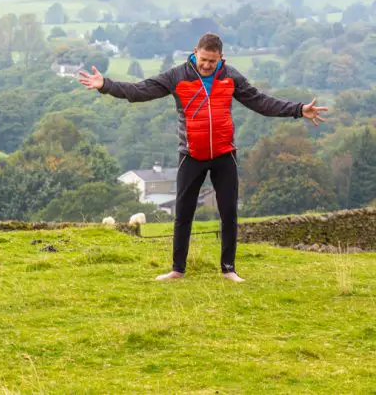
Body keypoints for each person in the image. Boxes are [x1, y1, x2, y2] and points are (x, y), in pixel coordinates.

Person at [78, 33, 328, 283]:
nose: (207, 65)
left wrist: (298, 110)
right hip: (191, 155)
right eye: (204, 59)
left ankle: (229, 269)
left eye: (213, 61)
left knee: (228, 212)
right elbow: (141, 90)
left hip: (224, 154)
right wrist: (106, 85)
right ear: (195, 52)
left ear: (221, 58)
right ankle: (177, 270)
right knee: (183, 213)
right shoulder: (177, 76)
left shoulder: (231, 76)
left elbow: (261, 102)